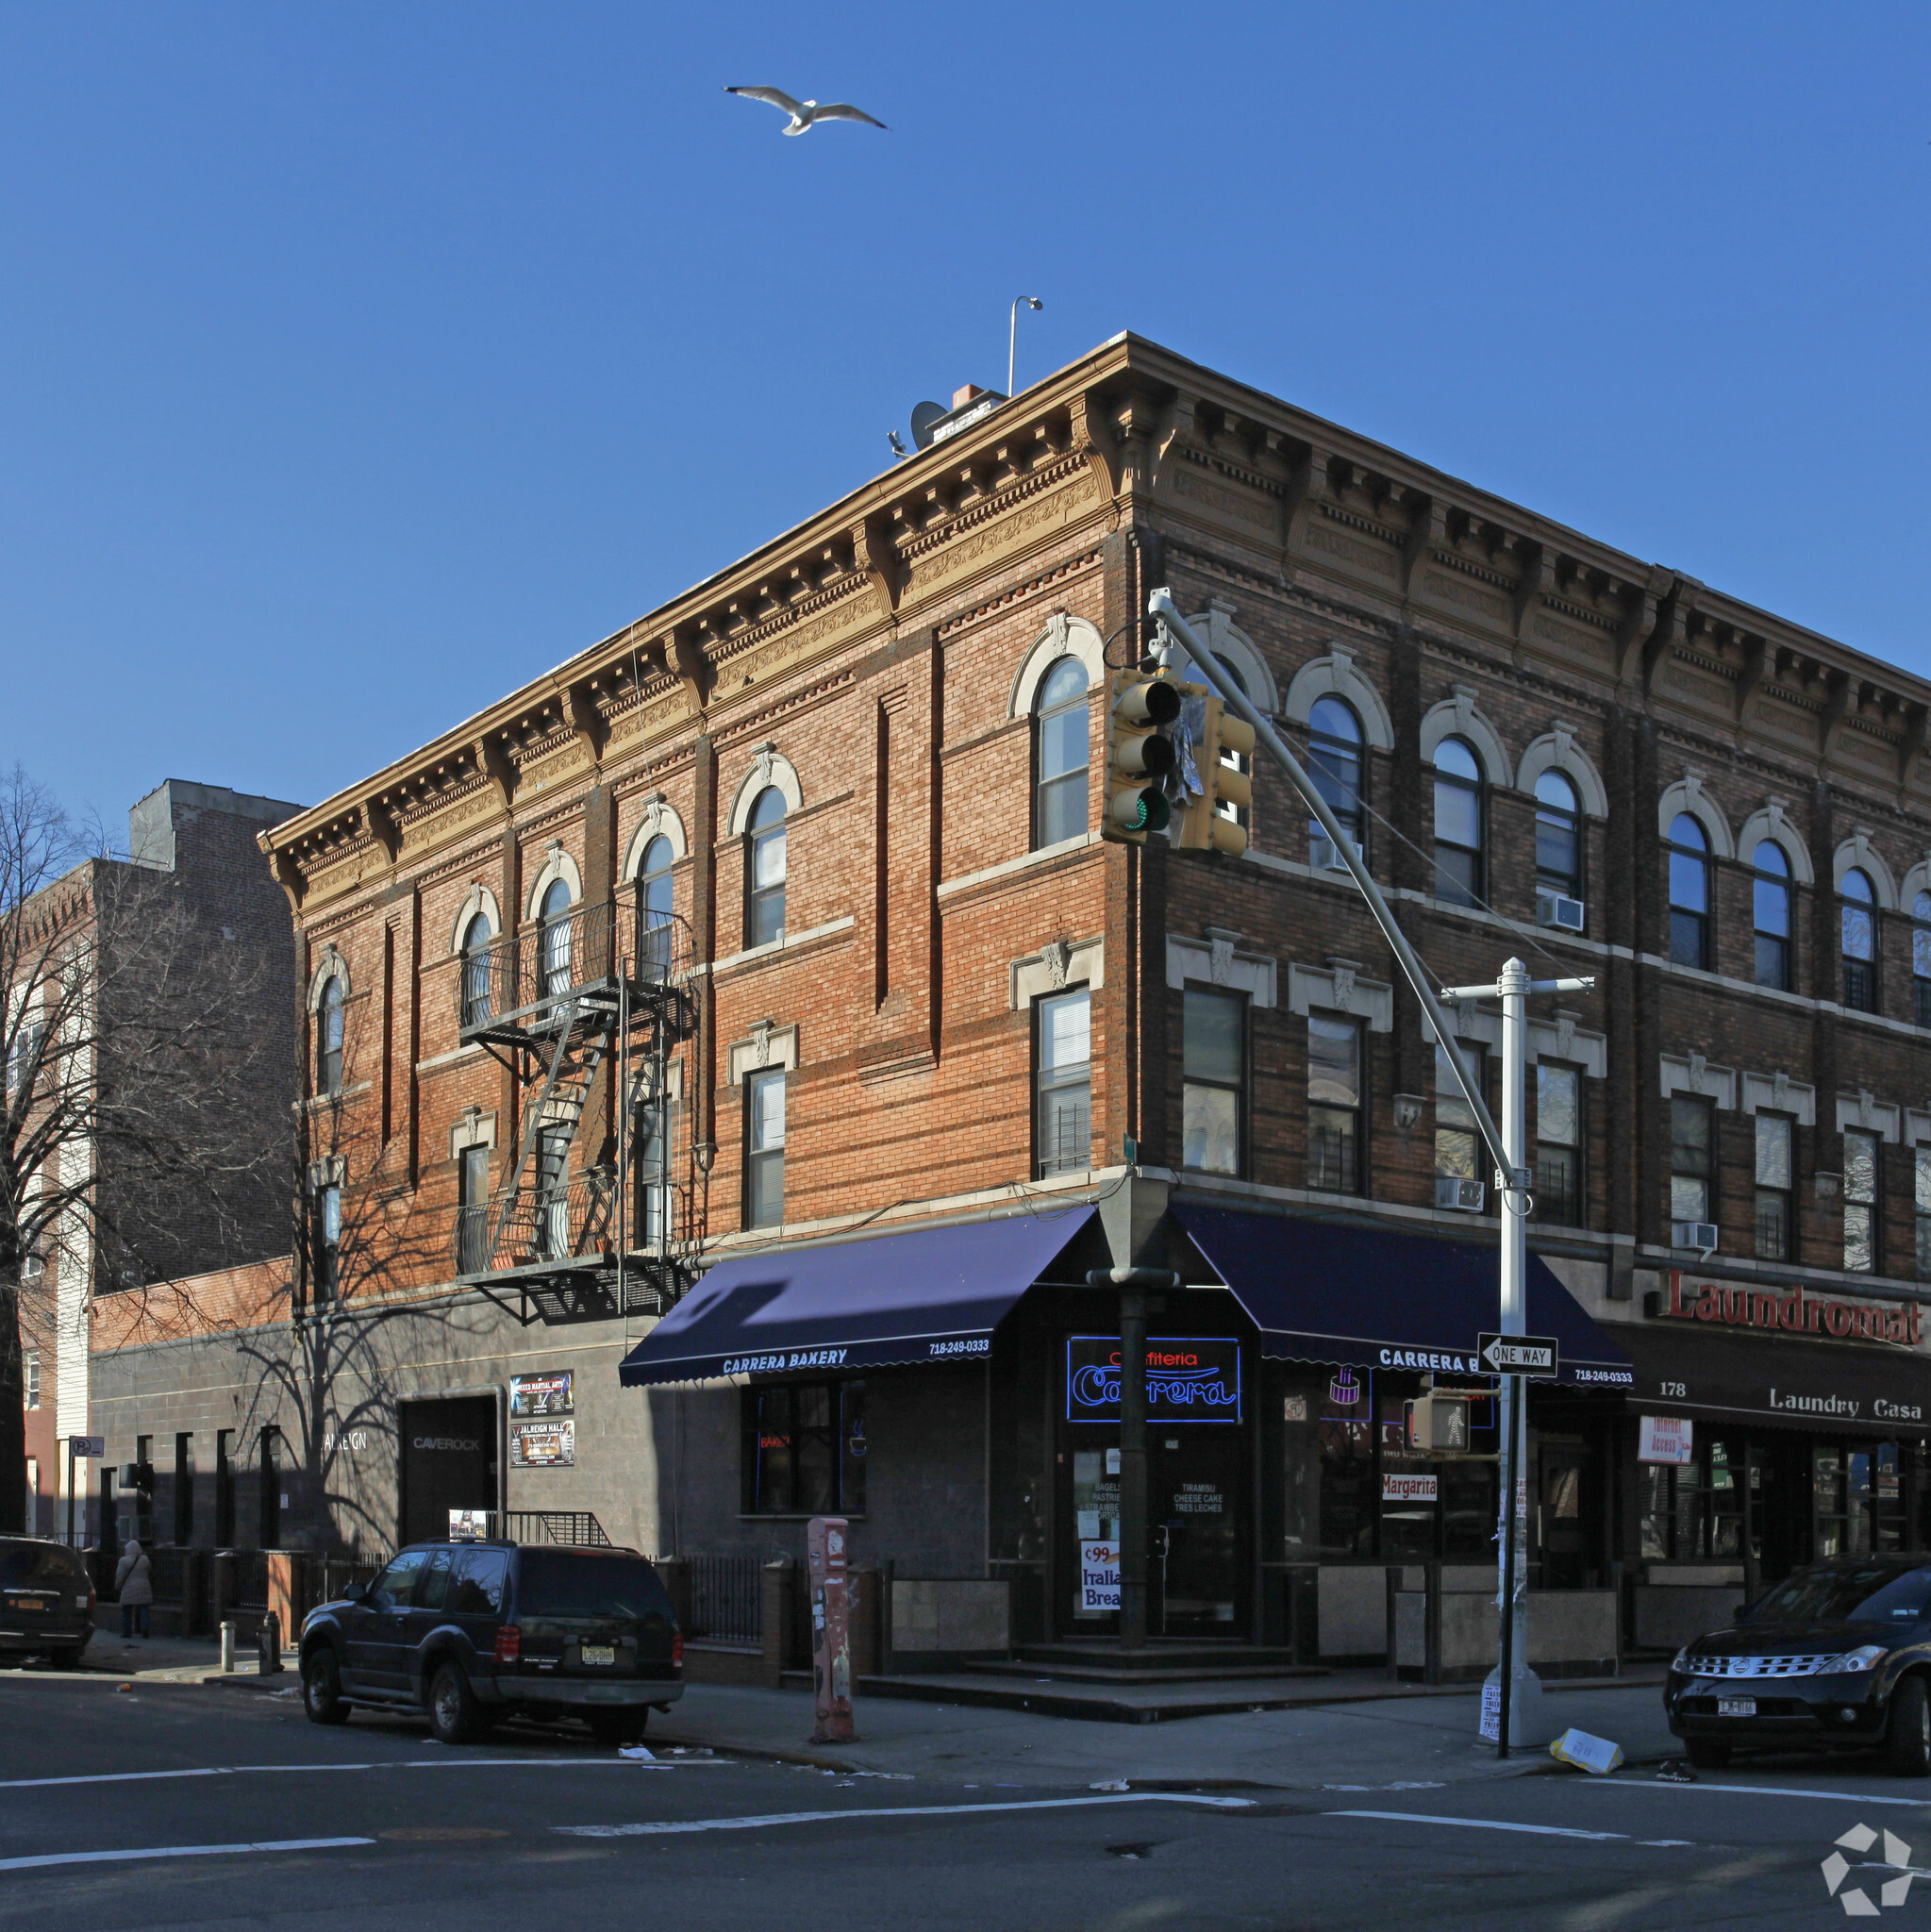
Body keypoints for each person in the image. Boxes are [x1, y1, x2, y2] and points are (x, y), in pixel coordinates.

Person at [114, 1539, 153, 1642]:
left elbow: (120, 1575)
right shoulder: (145, 1559)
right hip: (144, 1587)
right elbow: (149, 1570)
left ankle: (127, 1632)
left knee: (126, 1609)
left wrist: (117, 1586)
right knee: (144, 1609)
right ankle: (145, 1630)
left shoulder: (123, 1561)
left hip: (128, 1588)